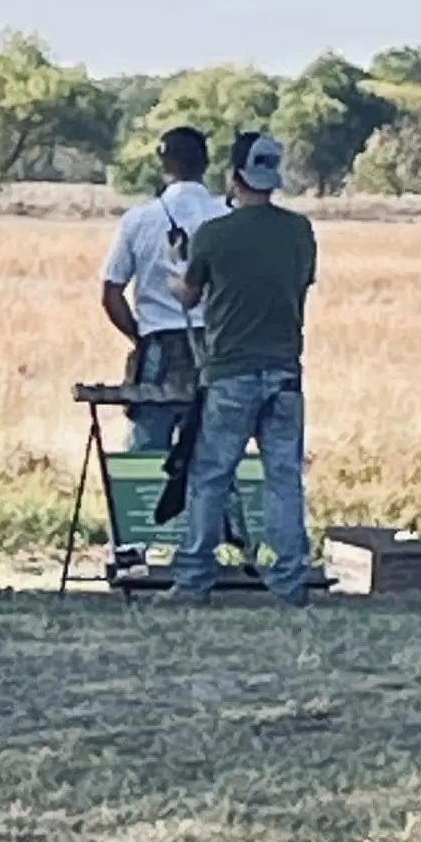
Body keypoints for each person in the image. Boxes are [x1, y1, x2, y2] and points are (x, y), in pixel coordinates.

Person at [168, 130, 317, 606]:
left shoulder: (213, 234)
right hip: (285, 373)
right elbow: (300, 284)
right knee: (283, 478)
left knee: (211, 475)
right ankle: (290, 583)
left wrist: (177, 269)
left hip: (230, 371)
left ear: (234, 176)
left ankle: (194, 580)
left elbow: (189, 294)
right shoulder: (299, 231)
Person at [101, 126, 228, 452]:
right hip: (216, 346)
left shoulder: (138, 220)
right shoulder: (227, 217)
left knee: (147, 447)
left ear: (164, 162)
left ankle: (140, 502)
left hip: (158, 344)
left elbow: (112, 292)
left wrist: (139, 337)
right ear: (206, 163)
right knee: (213, 446)